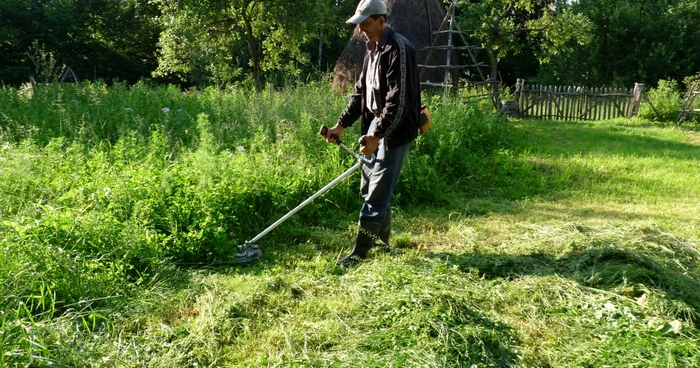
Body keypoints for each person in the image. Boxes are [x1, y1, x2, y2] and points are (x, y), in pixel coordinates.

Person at [324, 0, 421, 266]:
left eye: (365, 24)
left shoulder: (398, 49)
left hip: (394, 130)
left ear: (380, 20)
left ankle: (360, 253)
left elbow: (397, 101)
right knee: (371, 188)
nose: (361, 30)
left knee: (376, 194)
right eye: (359, 25)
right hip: (375, 128)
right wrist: (341, 125)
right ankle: (381, 243)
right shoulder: (372, 50)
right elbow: (360, 94)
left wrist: (377, 134)